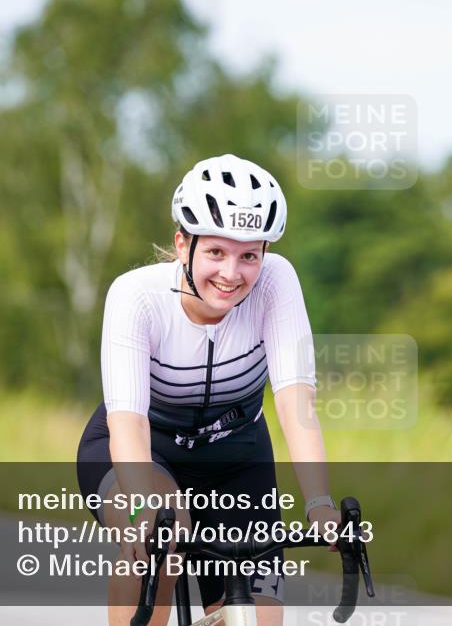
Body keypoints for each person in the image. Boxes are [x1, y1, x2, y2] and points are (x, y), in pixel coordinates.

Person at [76, 153, 338, 626]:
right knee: (160, 543)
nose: (232, 274)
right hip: (144, 449)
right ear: (183, 244)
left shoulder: (277, 282)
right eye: (216, 252)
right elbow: (129, 422)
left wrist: (319, 502)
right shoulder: (136, 296)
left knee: (256, 619)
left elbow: (296, 400)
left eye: (249, 255)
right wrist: (140, 509)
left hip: (237, 456)